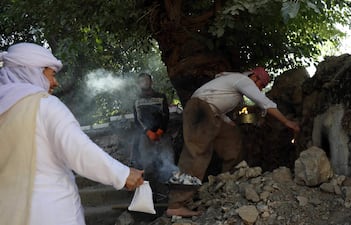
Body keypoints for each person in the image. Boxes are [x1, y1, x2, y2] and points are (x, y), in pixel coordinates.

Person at [0, 42, 144, 225]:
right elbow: (79, 150)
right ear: (33, 71)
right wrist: (122, 174)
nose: (55, 83)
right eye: (52, 75)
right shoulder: (44, 105)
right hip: (50, 212)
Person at [165, 67, 300, 217]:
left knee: (232, 143)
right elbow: (264, 102)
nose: (259, 89)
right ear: (255, 77)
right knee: (196, 155)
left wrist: (229, 122)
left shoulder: (232, 85)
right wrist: (287, 122)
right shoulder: (243, 80)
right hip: (200, 110)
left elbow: (217, 105)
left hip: (211, 113)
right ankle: (175, 204)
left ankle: (228, 186)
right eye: (260, 85)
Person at [130, 72, 175, 183]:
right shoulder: (136, 100)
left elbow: (165, 115)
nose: (144, 82)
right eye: (142, 81)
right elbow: (137, 119)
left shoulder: (161, 97)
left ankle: (170, 185)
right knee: (147, 162)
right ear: (138, 84)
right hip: (146, 135)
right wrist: (148, 132)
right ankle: (150, 188)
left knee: (168, 159)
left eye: (146, 80)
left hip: (162, 134)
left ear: (151, 82)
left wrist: (160, 130)